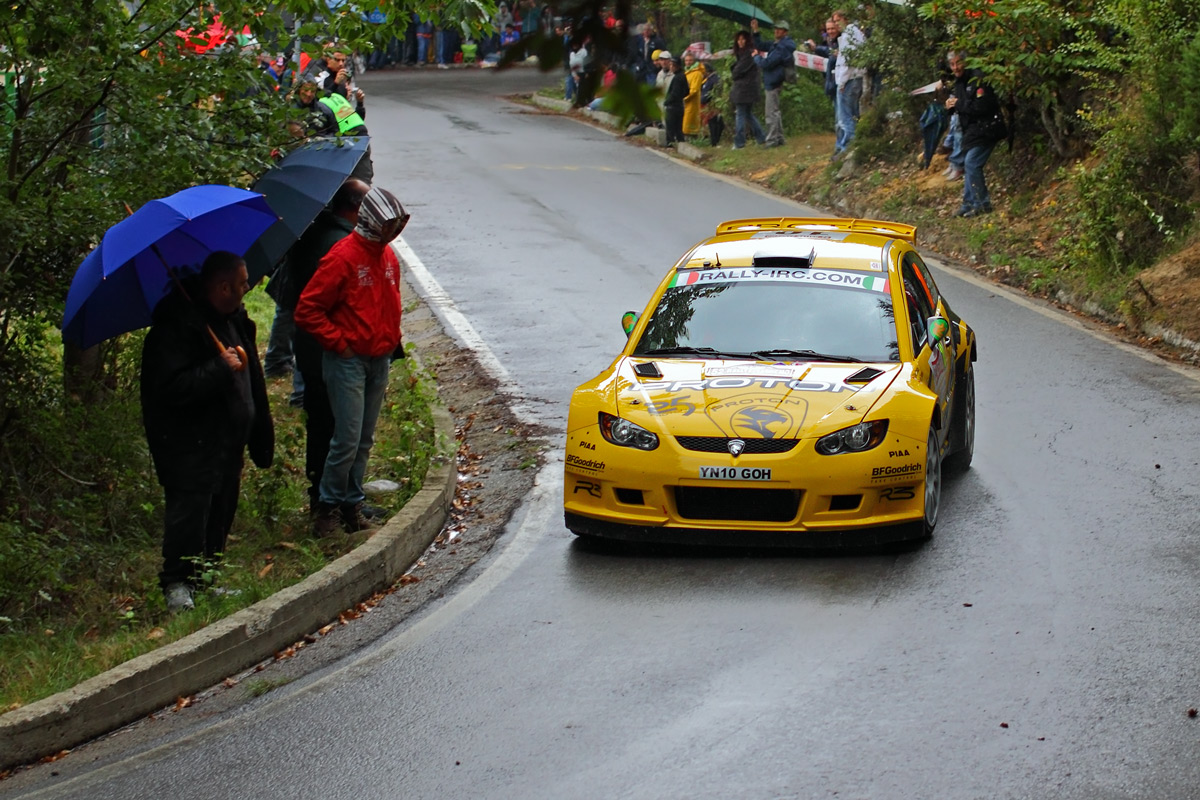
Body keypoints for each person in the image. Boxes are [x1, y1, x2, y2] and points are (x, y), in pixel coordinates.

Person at [140, 251, 274, 611]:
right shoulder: (175, 329)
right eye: (244, 282)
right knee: (190, 512)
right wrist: (217, 368)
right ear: (223, 286)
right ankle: (177, 583)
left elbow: (252, 377)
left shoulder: (231, 320)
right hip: (190, 444)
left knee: (220, 509)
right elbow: (171, 389)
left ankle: (207, 577)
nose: (250, 287)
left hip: (228, 440)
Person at [294, 187, 409, 536]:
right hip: (349, 361)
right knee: (345, 437)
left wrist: (390, 343)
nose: (393, 231)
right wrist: (339, 344)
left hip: (378, 359)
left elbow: (389, 303)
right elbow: (307, 309)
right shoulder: (342, 256)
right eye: (389, 224)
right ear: (374, 221)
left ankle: (351, 504)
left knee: (363, 438)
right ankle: (327, 510)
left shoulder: (387, 257)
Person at [277, 179, 374, 516]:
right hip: (327, 347)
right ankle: (330, 502)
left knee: (328, 423)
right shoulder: (337, 244)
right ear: (356, 208)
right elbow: (320, 305)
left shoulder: (312, 232)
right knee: (338, 428)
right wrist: (345, 345)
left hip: (313, 344)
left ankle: (338, 498)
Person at [945, 50, 1006, 217]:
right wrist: (951, 106)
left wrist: (959, 104)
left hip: (988, 128)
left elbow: (980, 107)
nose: (956, 68)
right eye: (952, 65)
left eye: (958, 63)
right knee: (968, 164)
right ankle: (968, 204)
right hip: (972, 132)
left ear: (965, 62)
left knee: (971, 163)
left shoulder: (978, 79)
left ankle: (982, 204)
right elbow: (961, 107)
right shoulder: (958, 83)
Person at [755, 20, 796, 148]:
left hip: (774, 81)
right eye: (776, 29)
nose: (776, 31)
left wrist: (756, 57)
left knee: (771, 112)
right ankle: (779, 138)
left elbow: (767, 64)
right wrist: (756, 31)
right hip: (774, 80)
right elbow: (760, 45)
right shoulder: (776, 44)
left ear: (785, 32)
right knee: (775, 111)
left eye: (780, 29)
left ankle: (772, 140)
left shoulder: (782, 47)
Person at [832, 10, 866, 157]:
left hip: (849, 80)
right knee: (853, 114)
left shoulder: (849, 36)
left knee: (845, 117)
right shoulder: (857, 33)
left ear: (845, 19)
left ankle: (847, 147)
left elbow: (847, 61)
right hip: (856, 78)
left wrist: (841, 82)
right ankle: (849, 145)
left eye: (837, 20)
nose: (835, 24)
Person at [730, 30, 766, 150]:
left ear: (747, 40)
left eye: (743, 39)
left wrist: (734, 71)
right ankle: (761, 137)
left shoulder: (748, 54)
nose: (740, 42)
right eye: (738, 39)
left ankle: (739, 142)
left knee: (740, 114)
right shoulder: (742, 54)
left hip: (745, 89)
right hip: (747, 88)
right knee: (748, 114)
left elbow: (737, 72)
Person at [663, 56, 687, 145]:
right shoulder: (683, 76)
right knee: (678, 128)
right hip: (680, 105)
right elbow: (686, 91)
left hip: (672, 106)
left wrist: (667, 101)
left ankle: (670, 143)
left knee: (670, 127)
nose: (671, 67)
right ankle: (680, 143)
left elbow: (674, 93)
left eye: (672, 65)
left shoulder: (677, 78)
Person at [682, 51, 706, 138]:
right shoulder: (687, 72)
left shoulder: (697, 73)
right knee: (686, 122)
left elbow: (694, 90)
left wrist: (684, 98)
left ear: (694, 61)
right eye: (686, 60)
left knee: (690, 123)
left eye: (690, 60)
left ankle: (692, 138)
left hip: (692, 101)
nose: (688, 62)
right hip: (686, 101)